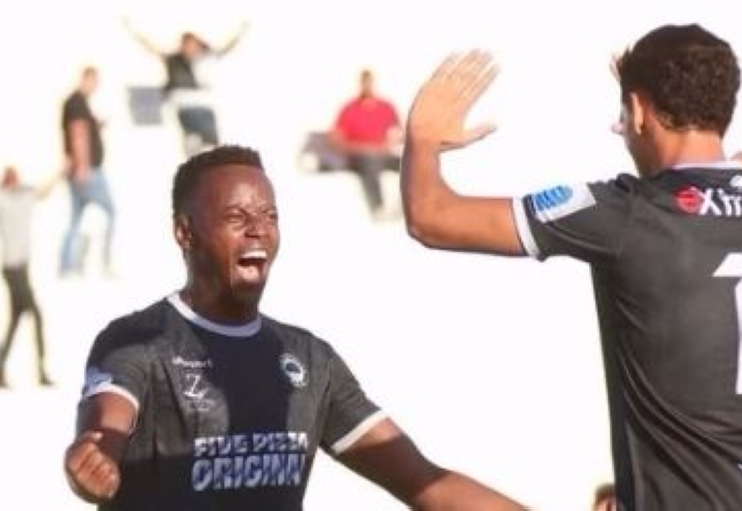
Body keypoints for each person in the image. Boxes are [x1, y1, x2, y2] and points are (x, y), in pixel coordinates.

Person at [400, 25, 742, 510]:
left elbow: (432, 218)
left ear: (638, 109)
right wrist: (726, 154)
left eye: (624, 113)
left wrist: (422, 137)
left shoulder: (631, 212)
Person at [62, 145, 523, 510]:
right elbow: (105, 427)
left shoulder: (309, 360)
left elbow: (424, 482)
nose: (258, 230)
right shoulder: (138, 340)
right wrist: (94, 458)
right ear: (185, 233)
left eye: (270, 217)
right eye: (237, 218)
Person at [0, 165, 61, 388]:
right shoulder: (1, 199)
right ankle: (40, 372)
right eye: (9, 178)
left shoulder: (25, 196)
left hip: (22, 267)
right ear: (4, 181)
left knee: (15, 319)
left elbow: (44, 191)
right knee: (36, 315)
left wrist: (61, 170)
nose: (13, 181)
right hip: (12, 269)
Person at [125, 20, 248, 156]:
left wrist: (241, 32)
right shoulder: (174, 61)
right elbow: (151, 48)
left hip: (204, 106)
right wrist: (133, 30)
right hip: (186, 106)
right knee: (193, 140)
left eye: (192, 45)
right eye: (187, 45)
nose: (190, 48)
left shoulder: (205, 59)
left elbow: (226, 49)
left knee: (211, 143)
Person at [60, 65, 117, 277]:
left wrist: (96, 127)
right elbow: (78, 134)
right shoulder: (76, 102)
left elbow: (83, 131)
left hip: (82, 168)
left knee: (76, 219)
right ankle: (103, 263)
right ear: (86, 79)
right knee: (110, 212)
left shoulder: (79, 103)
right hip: (88, 169)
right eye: (94, 82)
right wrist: (82, 167)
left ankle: (68, 265)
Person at [329, 68, 403, 220]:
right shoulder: (349, 108)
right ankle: (377, 208)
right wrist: (363, 149)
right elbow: (336, 140)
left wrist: (387, 145)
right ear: (360, 84)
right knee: (370, 161)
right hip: (359, 156)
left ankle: (405, 206)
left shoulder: (386, 106)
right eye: (364, 82)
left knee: (410, 164)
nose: (367, 86)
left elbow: (399, 133)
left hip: (382, 153)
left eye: (370, 82)